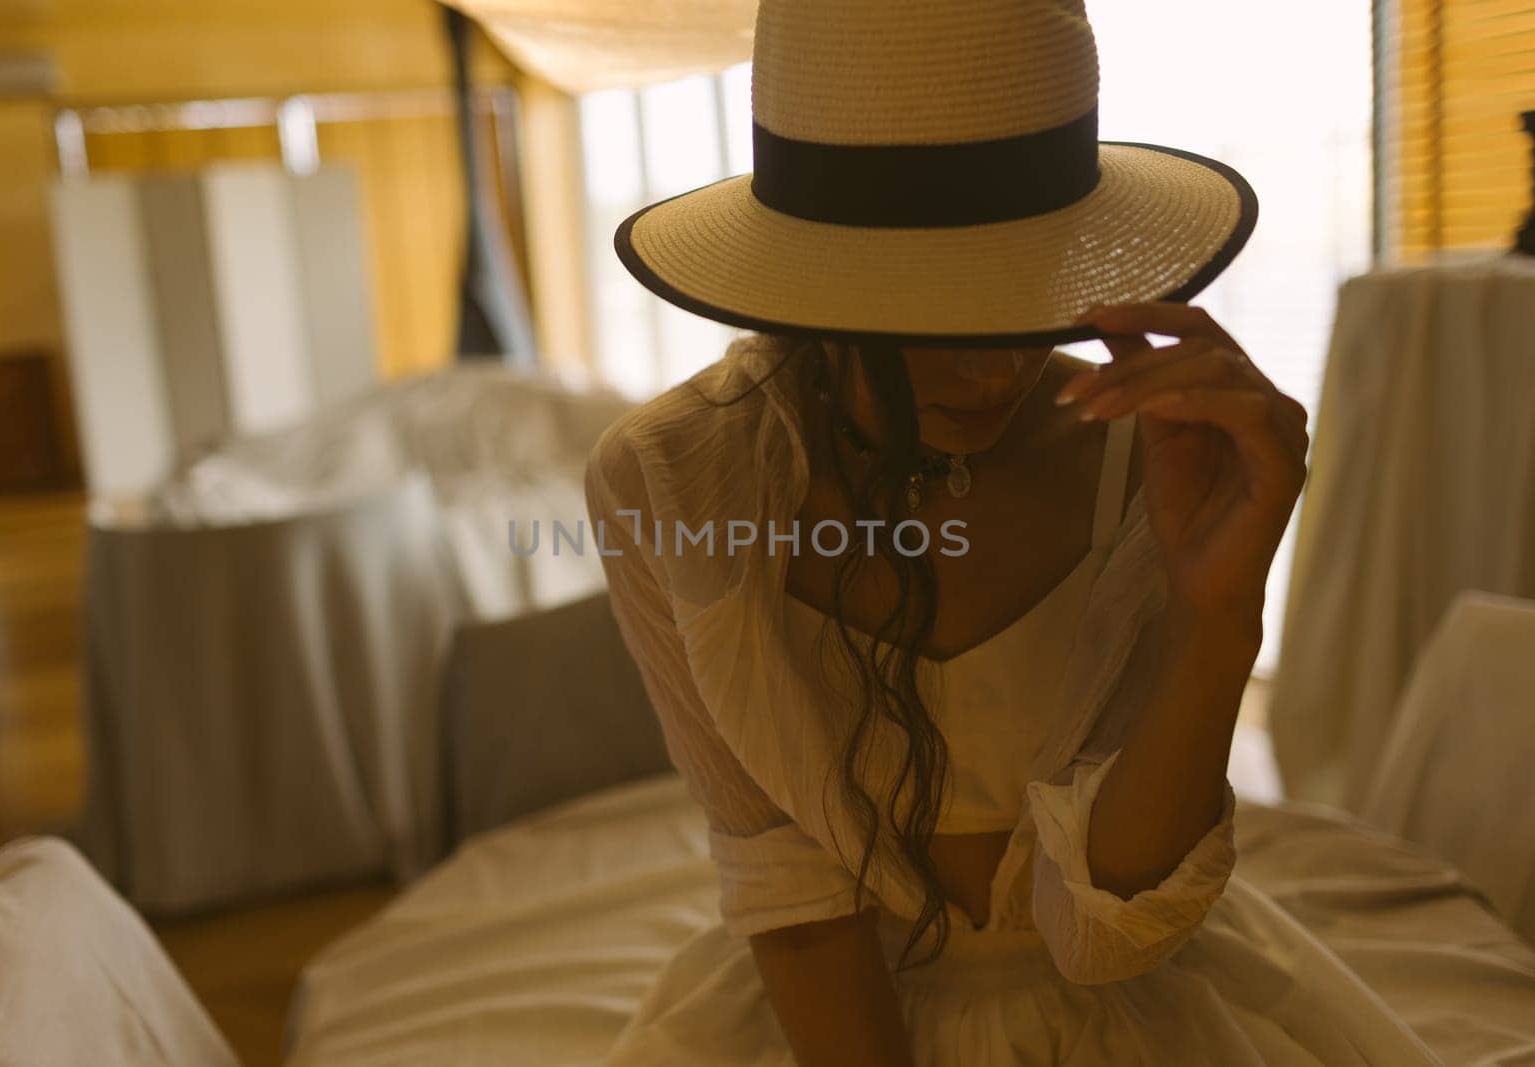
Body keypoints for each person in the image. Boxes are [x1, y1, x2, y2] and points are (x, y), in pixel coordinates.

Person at [581, 1, 1436, 1063]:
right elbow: (795, 900)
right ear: (808, 288)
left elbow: (1109, 932)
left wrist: (1219, 609)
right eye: (935, 315)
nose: (991, 371)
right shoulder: (671, 475)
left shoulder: (1145, 458)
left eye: (1030, 294)